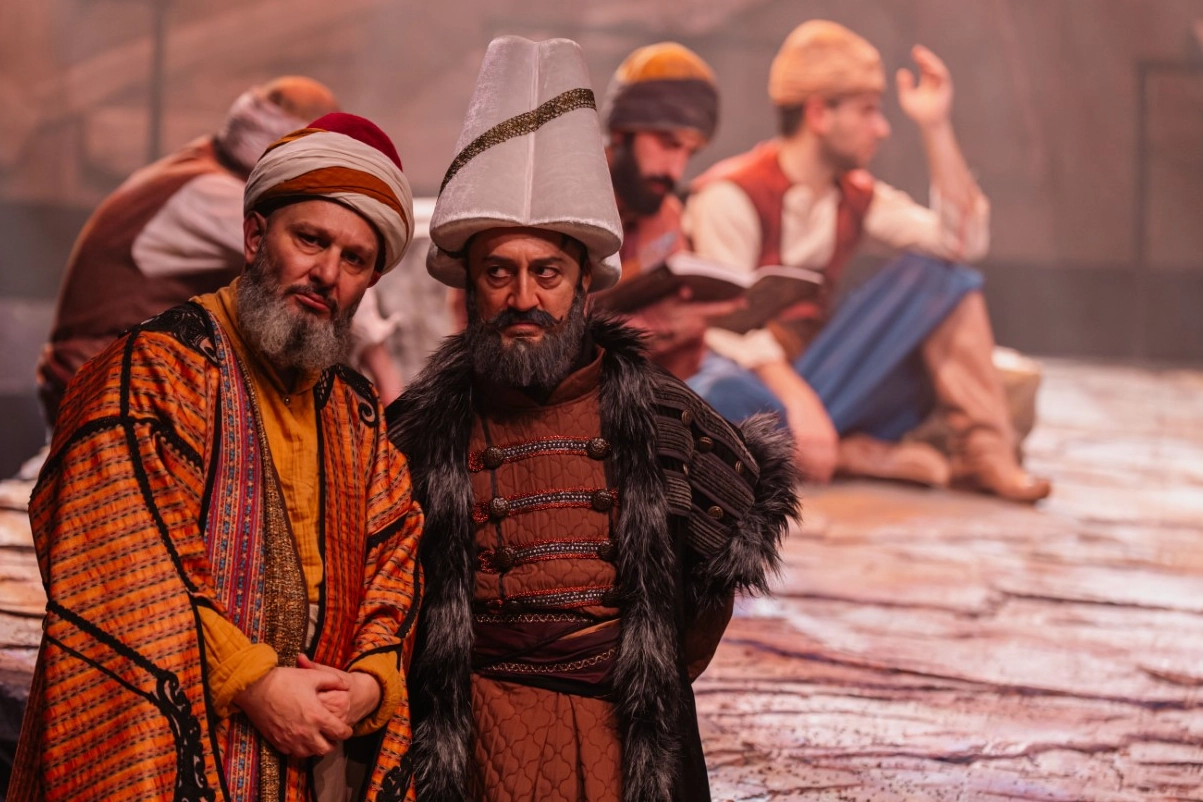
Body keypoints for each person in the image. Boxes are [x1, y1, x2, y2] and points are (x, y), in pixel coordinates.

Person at [386, 36, 798, 802]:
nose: (523, 297)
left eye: (546, 273)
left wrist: (651, 672)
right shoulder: (418, 430)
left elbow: (714, 579)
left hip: (621, 732)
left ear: (580, 288)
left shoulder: (662, 417)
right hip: (477, 733)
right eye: (498, 272)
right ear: (471, 288)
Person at [11, 113, 424, 802]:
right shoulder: (150, 372)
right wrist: (254, 683)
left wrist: (370, 682)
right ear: (255, 236)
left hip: (318, 750)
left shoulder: (356, 411)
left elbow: (394, 558)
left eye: (354, 260)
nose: (327, 273)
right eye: (310, 240)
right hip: (174, 742)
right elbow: (120, 567)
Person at [683, 20, 1051, 502]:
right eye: (868, 111)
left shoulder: (857, 195)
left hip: (828, 378)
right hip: (760, 384)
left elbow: (959, 242)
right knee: (713, 395)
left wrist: (935, 126)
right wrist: (799, 403)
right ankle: (843, 452)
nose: (881, 128)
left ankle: (985, 453)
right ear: (819, 113)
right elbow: (725, 328)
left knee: (942, 277)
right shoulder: (731, 195)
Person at [596, 42, 742, 379]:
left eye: (689, 153)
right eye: (668, 144)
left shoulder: (666, 215)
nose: (676, 170)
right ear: (620, 132)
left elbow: (683, 362)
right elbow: (550, 338)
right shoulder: (563, 206)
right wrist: (659, 328)